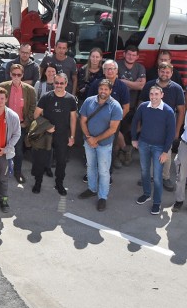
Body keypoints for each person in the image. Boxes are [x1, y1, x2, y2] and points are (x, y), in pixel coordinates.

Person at [140, 62, 187, 191]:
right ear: (158, 72)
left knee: (166, 153)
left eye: (167, 72)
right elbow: (141, 106)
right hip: (149, 127)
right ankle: (147, 176)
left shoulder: (176, 89)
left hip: (167, 128)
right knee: (148, 153)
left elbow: (181, 111)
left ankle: (165, 177)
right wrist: (140, 125)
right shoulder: (149, 85)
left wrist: (177, 131)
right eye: (162, 71)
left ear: (171, 74)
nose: (164, 74)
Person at [78, 80, 123, 211]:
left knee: (103, 171)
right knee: (90, 166)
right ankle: (92, 189)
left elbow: (113, 129)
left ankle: (102, 197)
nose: (103, 91)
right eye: (101, 89)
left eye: (106, 89)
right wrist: (88, 137)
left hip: (104, 145)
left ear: (110, 91)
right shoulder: (89, 101)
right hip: (88, 142)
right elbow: (83, 120)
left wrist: (95, 139)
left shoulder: (115, 106)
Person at [130, 86, 176, 215]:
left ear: (162, 95)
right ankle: (146, 194)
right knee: (144, 171)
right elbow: (135, 122)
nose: (153, 97)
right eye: (151, 94)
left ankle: (157, 202)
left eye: (156, 94)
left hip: (159, 148)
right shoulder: (143, 107)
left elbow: (171, 133)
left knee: (157, 176)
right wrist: (134, 138)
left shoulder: (168, 111)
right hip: (144, 144)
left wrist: (165, 151)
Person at [32, 72, 78, 195]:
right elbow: (36, 115)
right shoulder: (46, 97)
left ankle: (59, 184)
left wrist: (72, 136)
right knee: (41, 160)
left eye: (61, 83)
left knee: (61, 162)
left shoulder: (70, 99)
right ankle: (38, 182)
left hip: (62, 135)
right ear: (53, 83)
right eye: (56, 83)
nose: (58, 85)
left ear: (66, 84)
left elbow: (73, 119)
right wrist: (46, 127)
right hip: (46, 135)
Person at [87, 60, 131, 169]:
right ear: (103, 71)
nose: (109, 71)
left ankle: (110, 165)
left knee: (111, 145)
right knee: (93, 144)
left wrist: (116, 121)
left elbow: (126, 107)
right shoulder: (96, 84)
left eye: (112, 69)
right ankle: (91, 165)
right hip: (96, 123)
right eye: (106, 69)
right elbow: (89, 103)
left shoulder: (122, 86)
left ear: (117, 71)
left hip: (113, 123)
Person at [0, 63, 37, 184]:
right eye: (14, 74)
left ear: (22, 75)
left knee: (18, 151)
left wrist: (26, 123)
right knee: (2, 149)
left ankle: (17, 172)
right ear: (10, 74)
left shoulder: (29, 90)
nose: (16, 77)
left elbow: (32, 107)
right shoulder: (3, 86)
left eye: (19, 75)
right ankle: (1, 172)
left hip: (20, 125)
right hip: (5, 124)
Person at [116, 45, 147, 164]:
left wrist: (123, 81)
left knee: (128, 131)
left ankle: (125, 152)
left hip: (132, 106)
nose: (131, 57)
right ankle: (120, 152)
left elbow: (141, 86)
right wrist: (134, 83)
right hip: (117, 105)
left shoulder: (140, 67)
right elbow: (114, 81)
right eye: (129, 54)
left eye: (134, 55)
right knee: (116, 131)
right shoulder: (117, 65)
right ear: (124, 54)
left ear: (137, 57)